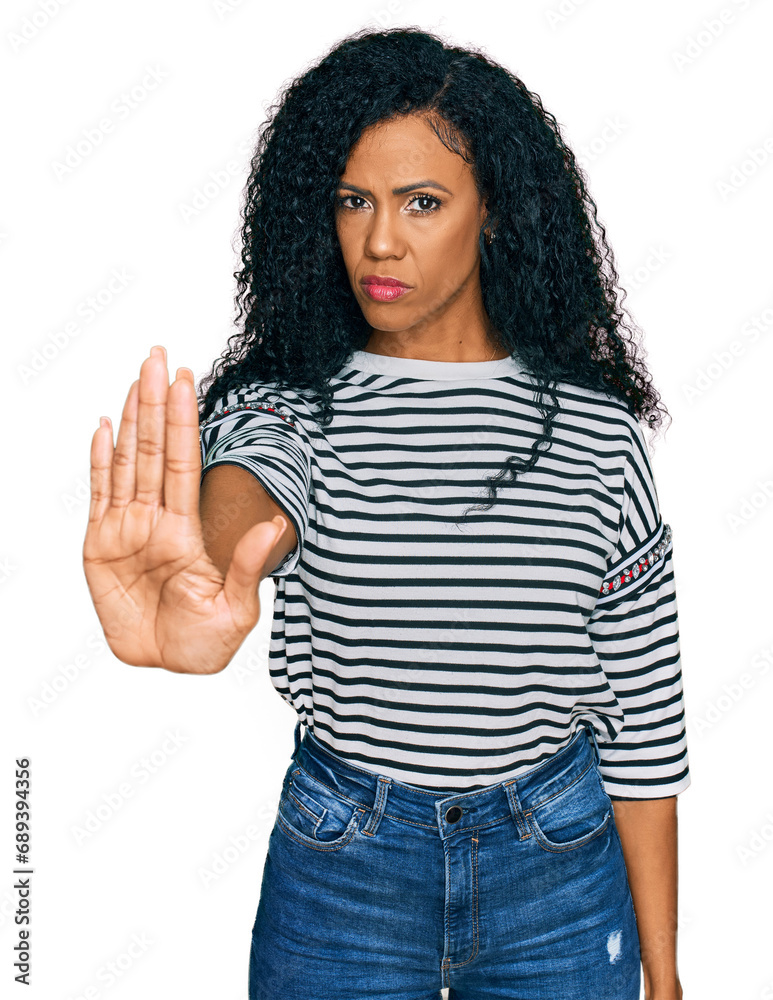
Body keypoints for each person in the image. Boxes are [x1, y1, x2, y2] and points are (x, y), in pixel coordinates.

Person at [82, 26, 690, 1000]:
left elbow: (645, 726)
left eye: (420, 202)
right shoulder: (288, 405)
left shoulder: (594, 436)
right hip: (346, 863)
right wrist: (196, 556)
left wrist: (661, 973)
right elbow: (250, 484)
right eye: (351, 201)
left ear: (492, 212)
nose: (377, 240)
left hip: (556, 864)